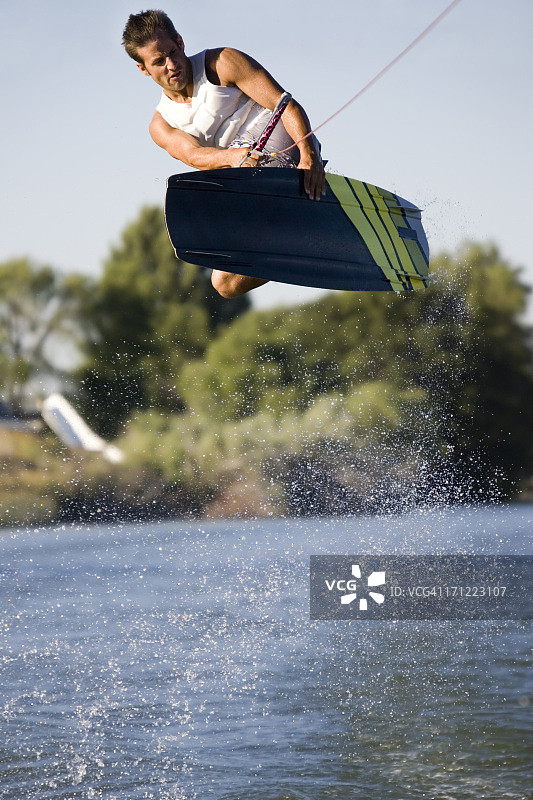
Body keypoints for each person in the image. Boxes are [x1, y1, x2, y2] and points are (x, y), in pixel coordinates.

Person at [122, 9, 325, 298]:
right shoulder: (161, 125)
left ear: (180, 41)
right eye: (158, 61)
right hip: (243, 173)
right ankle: (299, 250)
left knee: (238, 176)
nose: (171, 65)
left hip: (283, 138)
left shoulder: (221, 63)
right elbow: (193, 156)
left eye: (172, 52)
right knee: (225, 284)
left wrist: (309, 156)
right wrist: (231, 158)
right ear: (144, 69)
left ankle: (296, 208)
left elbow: (285, 104)